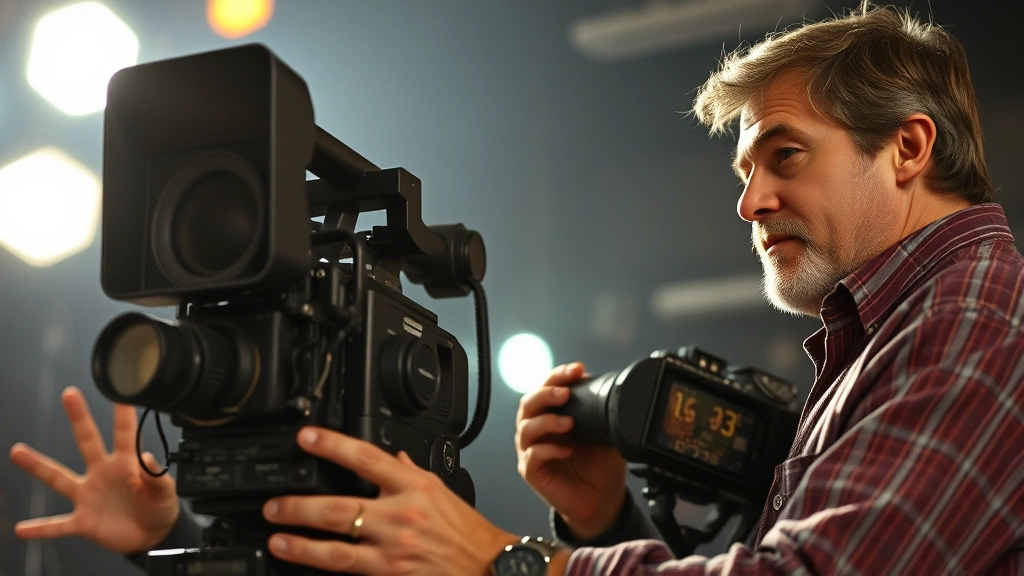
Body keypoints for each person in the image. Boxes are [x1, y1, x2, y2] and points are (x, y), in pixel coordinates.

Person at [9, 2, 1023, 574]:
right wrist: (604, 519)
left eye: (784, 157)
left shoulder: (976, 316)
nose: (749, 201)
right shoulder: (885, 336)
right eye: (741, 172)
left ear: (906, 147)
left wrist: (511, 563)